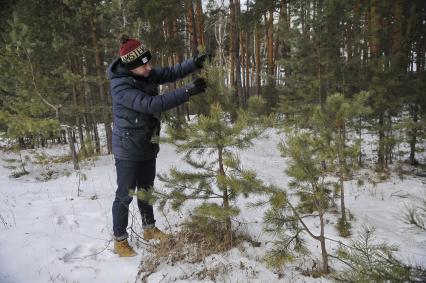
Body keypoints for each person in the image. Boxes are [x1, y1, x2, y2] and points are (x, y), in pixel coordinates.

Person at [107, 35, 208, 257]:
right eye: (144, 65)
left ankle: (149, 229)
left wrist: (195, 62)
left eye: (149, 62)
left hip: (146, 142)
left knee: (146, 190)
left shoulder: (144, 72)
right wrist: (188, 91)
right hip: (127, 147)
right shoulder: (120, 86)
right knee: (125, 194)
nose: (149, 68)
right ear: (131, 67)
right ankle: (119, 240)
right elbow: (152, 104)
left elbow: (171, 72)